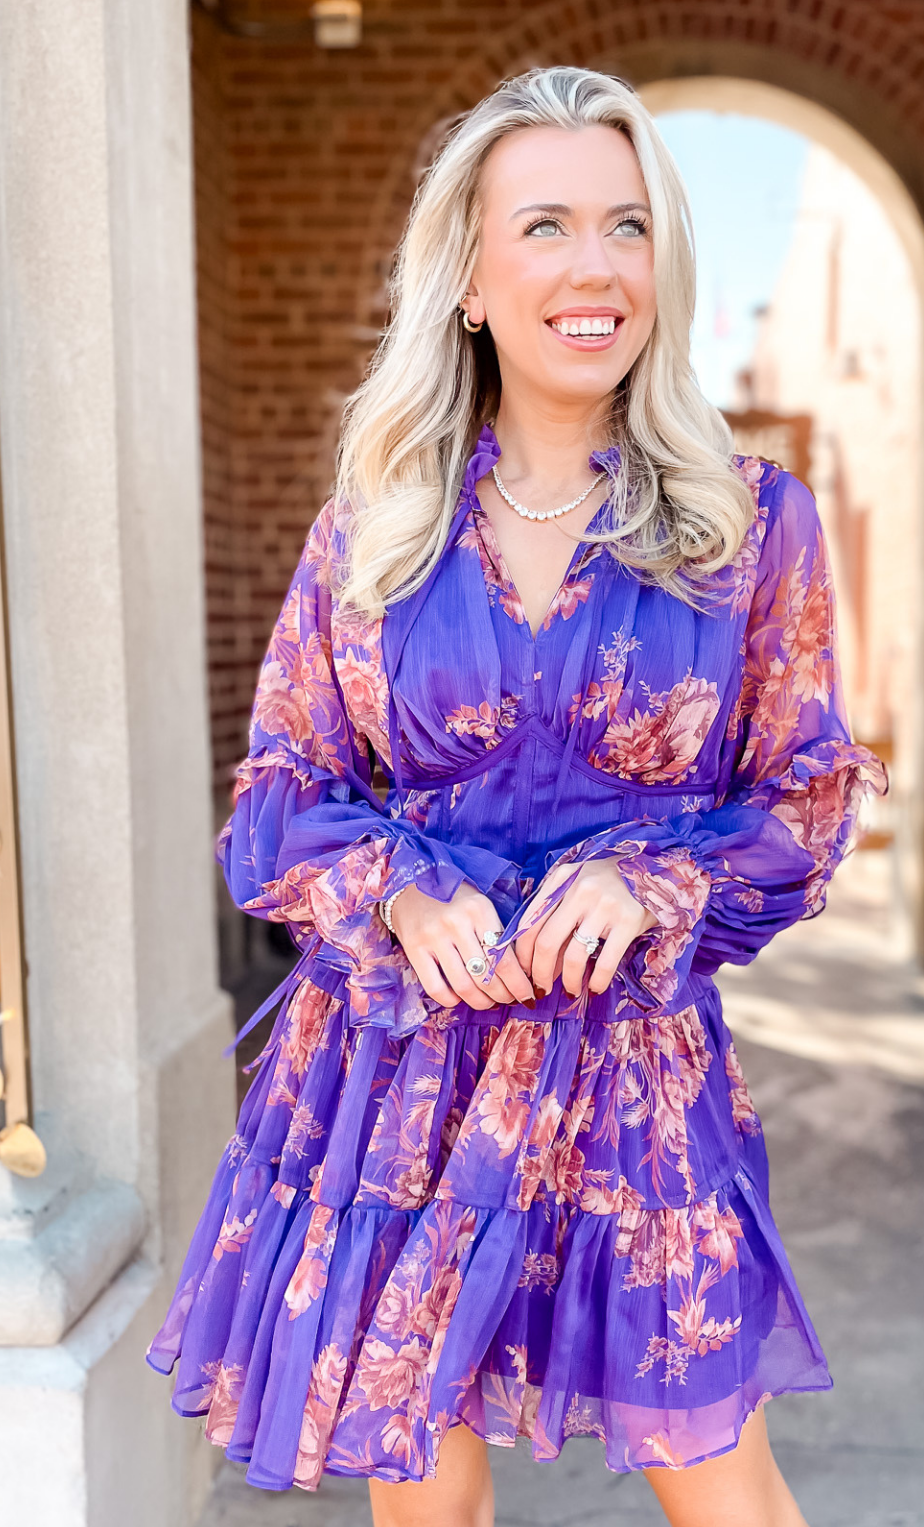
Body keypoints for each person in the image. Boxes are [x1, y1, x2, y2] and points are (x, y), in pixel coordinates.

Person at [148, 65, 886, 1527]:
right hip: (401, 1068)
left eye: (628, 225)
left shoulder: (750, 524)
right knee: (426, 1494)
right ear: (473, 279)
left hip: (630, 1068)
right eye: (545, 224)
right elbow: (277, 791)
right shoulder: (376, 531)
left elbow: (808, 796)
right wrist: (393, 890)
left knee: (719, 1479)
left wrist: (655, 879)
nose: (595, 264)